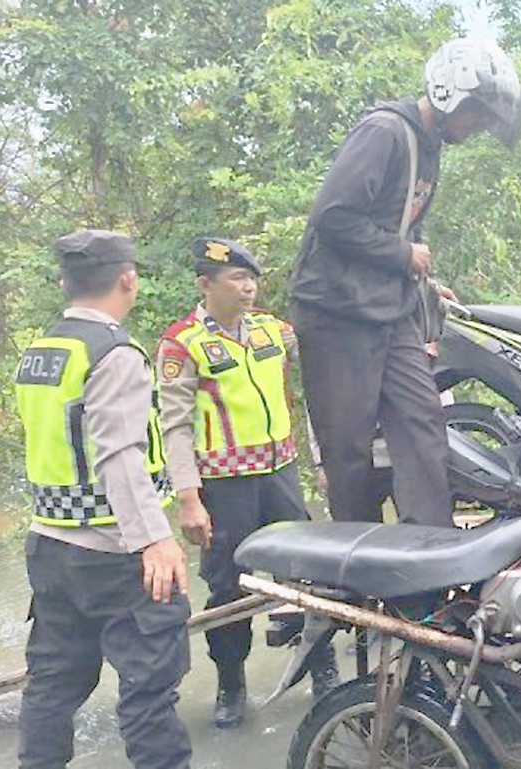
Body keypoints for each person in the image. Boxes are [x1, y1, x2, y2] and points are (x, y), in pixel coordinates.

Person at [290, 37, 521, 525]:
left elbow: (401, 224)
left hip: (388, 310)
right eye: (476, 114)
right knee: (349, 448)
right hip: (337, 313)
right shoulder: (384, 133)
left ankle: (431, 558)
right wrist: (402, 255)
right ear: (449, 95)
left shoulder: (429, 145)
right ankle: (360, 570)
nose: (478, 126)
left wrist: (420, 280)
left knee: (423, 428)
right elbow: (333, 217)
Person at [14, 230, 192, 769]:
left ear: (65, 282)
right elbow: (120, 456)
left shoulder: (44, 350)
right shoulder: (113, 353)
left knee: (52, 685)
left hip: (51, 544)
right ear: (127, 279)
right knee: (149, 691)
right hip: (115, 552)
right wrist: (156, 541)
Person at [156, 237, 338, 728]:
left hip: (280, 478)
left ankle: (324, 671)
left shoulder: (274, 332)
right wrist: (188, 500)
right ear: (205, 284)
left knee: (308, 577)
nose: (248, 287)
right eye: (237, 278)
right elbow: (173, 427)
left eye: (252, 278)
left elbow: (328, 356)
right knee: (227, 590)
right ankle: (231, 685)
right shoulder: (182, 344)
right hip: (223, 489)